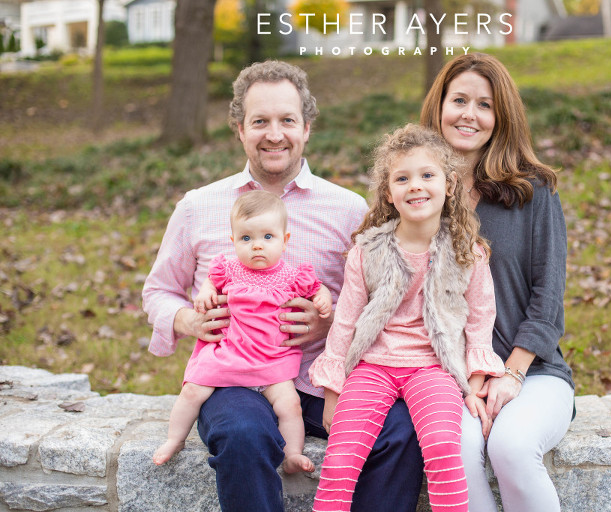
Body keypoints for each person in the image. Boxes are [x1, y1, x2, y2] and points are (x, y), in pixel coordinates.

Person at [142, 60, 424, 512]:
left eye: (287, 120)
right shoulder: (198, 206)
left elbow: (384, 305)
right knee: (242, 434)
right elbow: (157, 292)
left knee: (398, 429)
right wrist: (190, 319)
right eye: (260, 122)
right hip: (236, 382)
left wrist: (329, 326)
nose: (275, 134)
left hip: (320, 380)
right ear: (239, 129)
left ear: (307, 127)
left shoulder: (349, 210)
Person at [309, 124, 505, 512]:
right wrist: (333, 392)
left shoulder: (468, 252)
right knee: (341, 457)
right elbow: (345, 321)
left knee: (443, 450)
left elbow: (481, 319)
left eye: (427, 175)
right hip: (373, 367)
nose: (415, 186)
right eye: (403, 178)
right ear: (388, 193)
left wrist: (475, 383)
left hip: (433, 368)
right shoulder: (368, 252)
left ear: (449, 185)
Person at [421, 53, 576, 512]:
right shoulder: (419, 191)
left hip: (532, 372)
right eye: (459, 100)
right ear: (439, 107)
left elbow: (549, 300)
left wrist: (511, 374)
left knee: (510, 447)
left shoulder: (533, 192)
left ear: (500, 117)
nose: (469, 114)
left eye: (484, 105)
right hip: (450, 377)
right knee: (455, 451)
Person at [153, 190, 332, 474]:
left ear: (285, 241)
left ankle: (292, 454)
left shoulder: (292, 275)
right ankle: (175, 439)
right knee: (192, 392)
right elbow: (211, 284)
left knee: (290, 406)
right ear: (233, 240)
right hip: (229, 356)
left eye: (267, 237)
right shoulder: (229, 270)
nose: (257, 246)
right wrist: (205, 294)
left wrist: (322, 298)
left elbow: (316, 288)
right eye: (246, 238)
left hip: (272, 360)